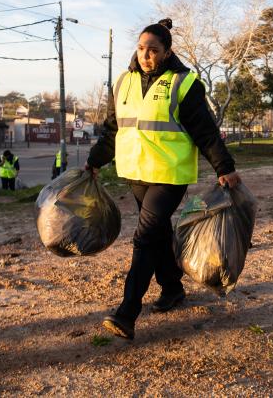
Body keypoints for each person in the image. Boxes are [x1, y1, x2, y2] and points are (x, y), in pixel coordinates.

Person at [86, 18, 241, 340]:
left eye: (153, 50)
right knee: (156, 236)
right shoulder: (122, 84)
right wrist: (94, 161)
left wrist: (224, 167)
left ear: (167, 52)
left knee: (143, 238)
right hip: (135, 173)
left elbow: (205, 131)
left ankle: (127, 312)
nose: (146, 55)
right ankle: (172, 288)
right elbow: (113, 130)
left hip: (169, 175)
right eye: (141, 49)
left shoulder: (184, 83)